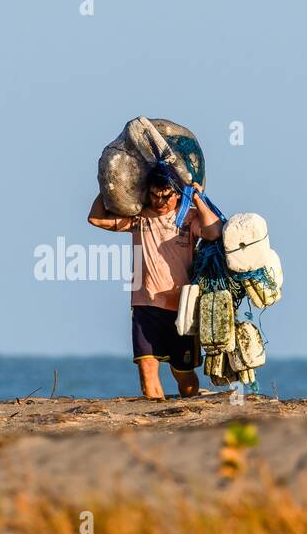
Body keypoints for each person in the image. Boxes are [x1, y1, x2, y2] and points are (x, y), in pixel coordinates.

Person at [88, 165, 224, 399]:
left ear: (177, 193)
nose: (159, 201)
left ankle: (189, 413)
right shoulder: (140, 218)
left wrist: (197, 198)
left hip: (181, 309)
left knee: (184, 374)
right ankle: (154, 422)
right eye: (154, 195)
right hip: (145, 305)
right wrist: (109, 184)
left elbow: (214, 232)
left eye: (165, 196)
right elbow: (97, 219)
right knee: (147, 369)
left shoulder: (188, 217)